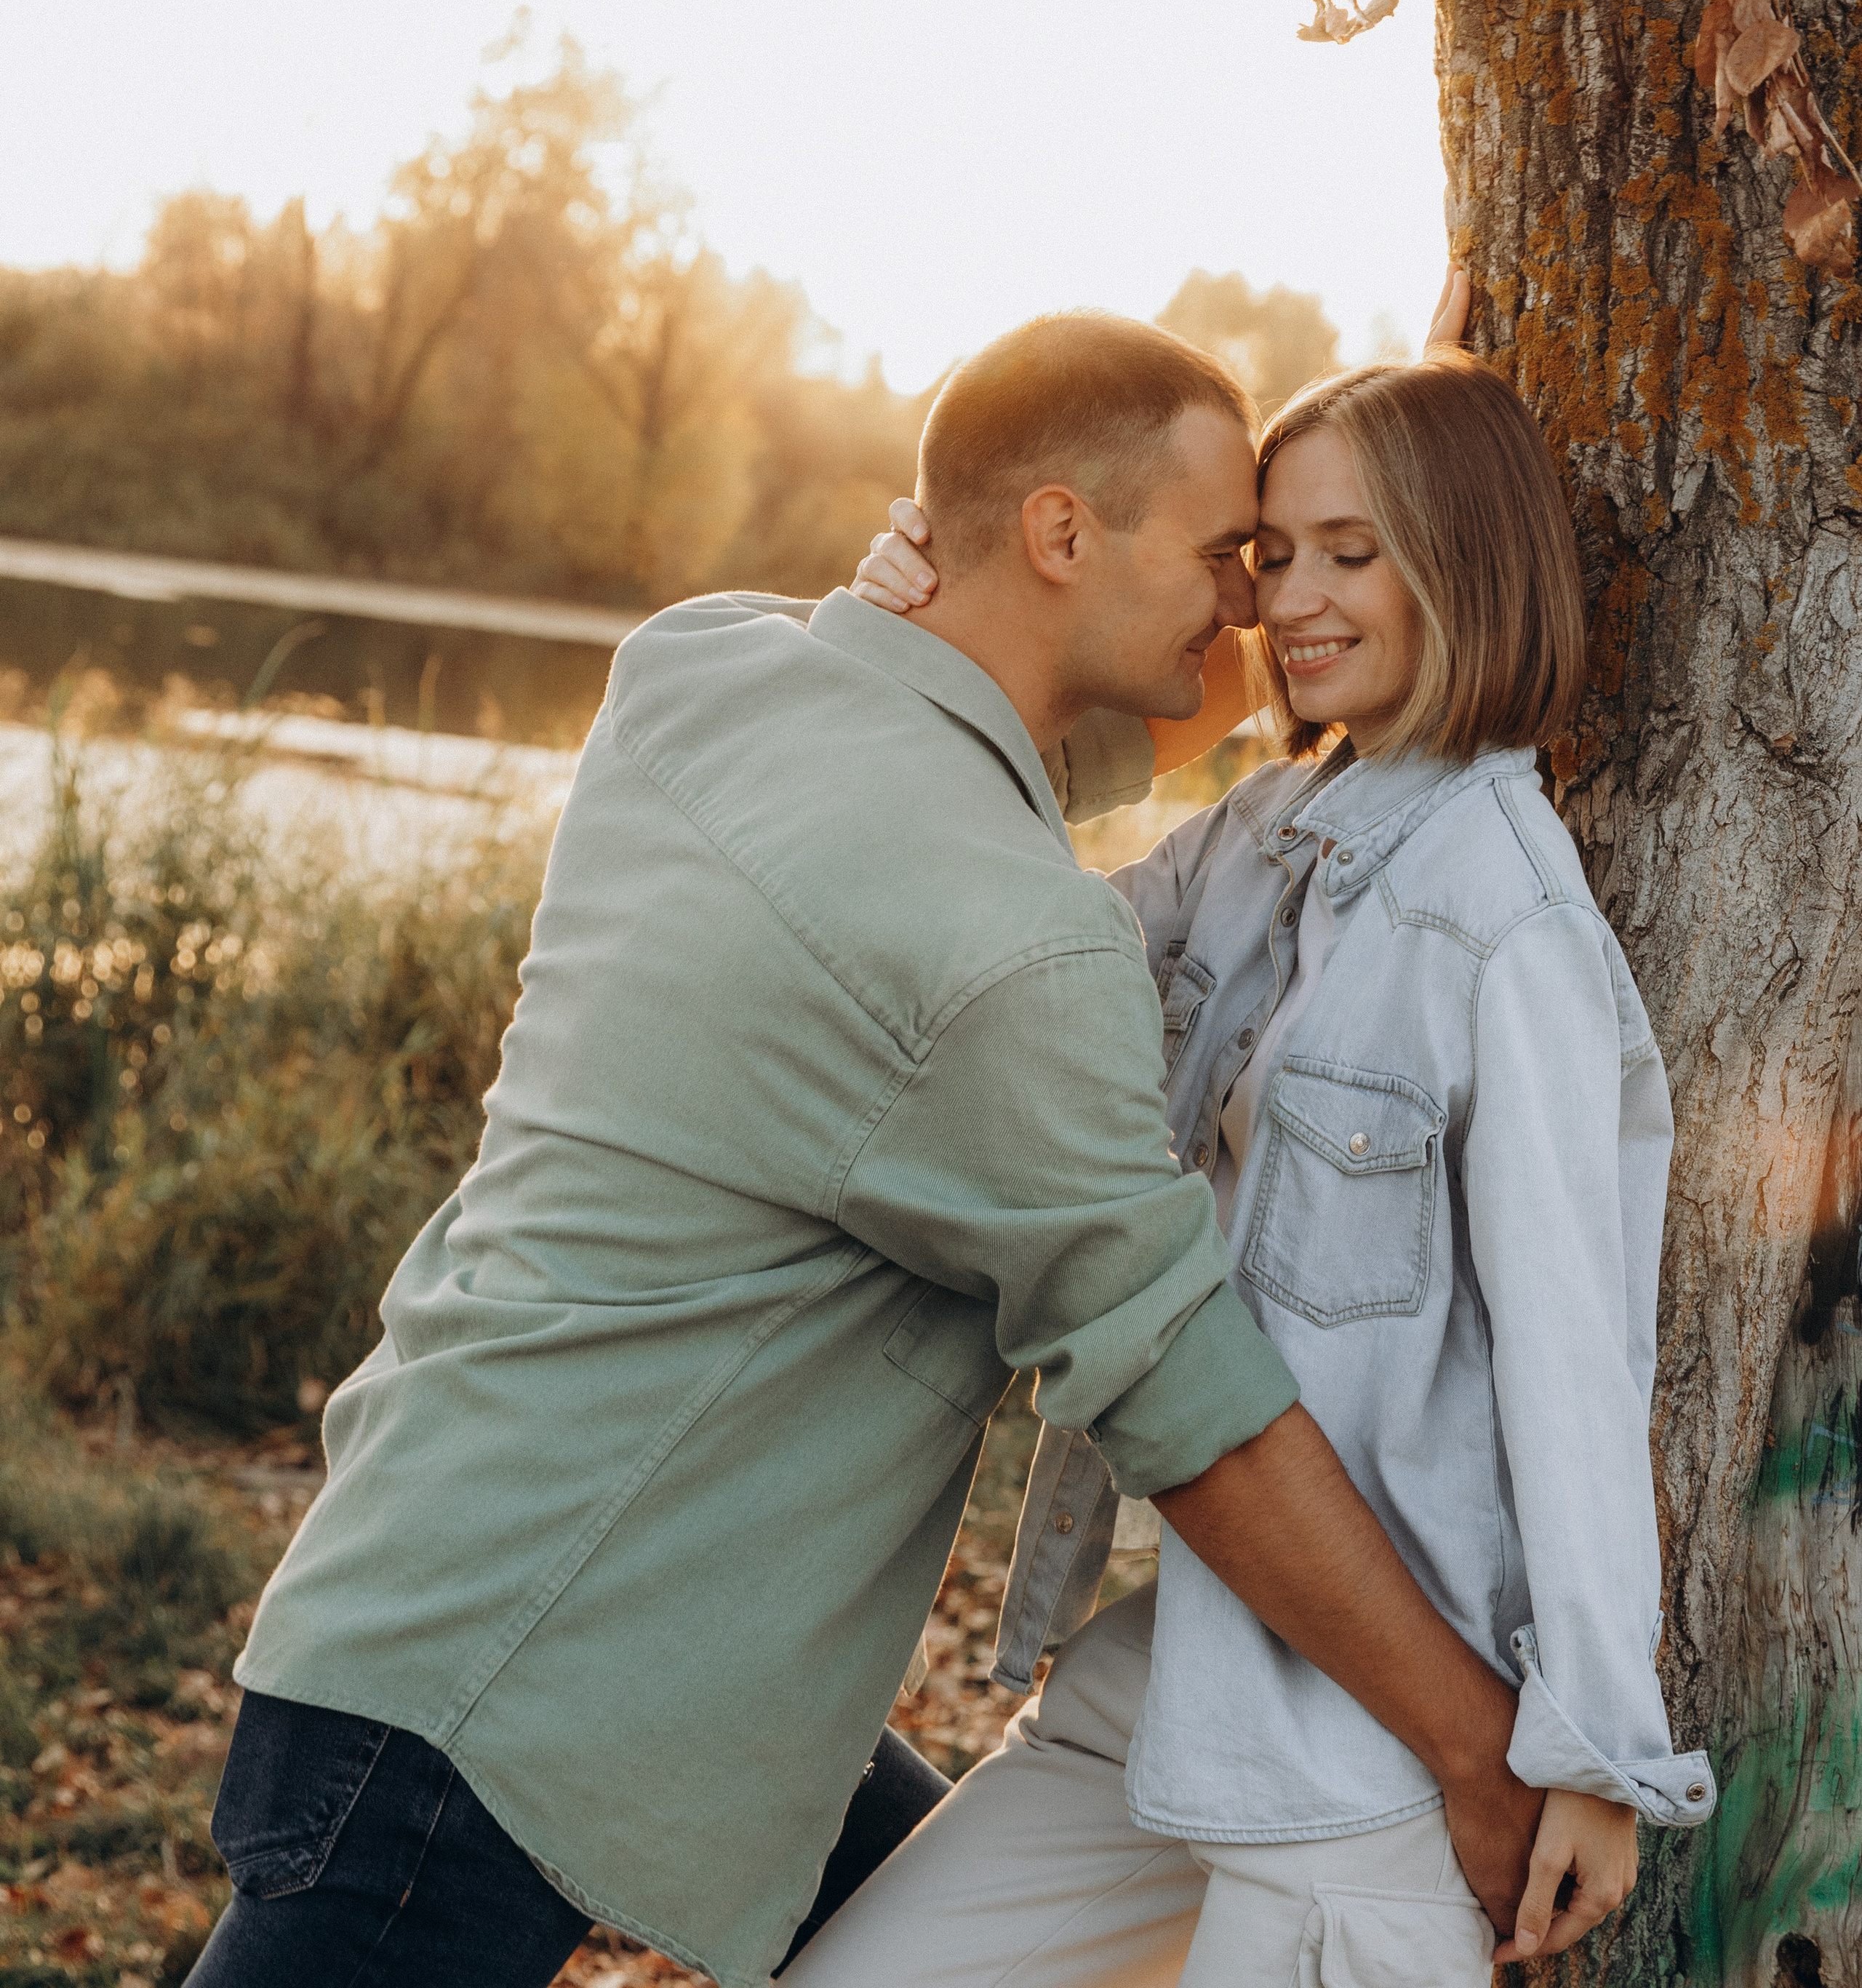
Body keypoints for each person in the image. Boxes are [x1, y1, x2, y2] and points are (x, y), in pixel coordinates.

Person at [190, 308, 1546, 1988]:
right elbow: (1189, 1408)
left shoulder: (695, 668)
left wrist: (985, 592)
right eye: (1226, 556)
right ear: (1060, 530)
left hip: (458, 1591)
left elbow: (982, 727)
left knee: (954, 1931)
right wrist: (1479, 1750)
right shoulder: (1006, 944)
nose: (1251, 607)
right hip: (507, 1695)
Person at [807, 348, 1715, 1988]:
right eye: (1271, 554)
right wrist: (909, 649)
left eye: (1347, 553)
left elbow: (1580, 1364)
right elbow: (1013, 938)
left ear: (1465, 562)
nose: (1288, 599)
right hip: (1171, 1675)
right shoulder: (1268, 834)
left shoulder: (1503, 927)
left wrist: (1590, 1751)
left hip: (1374, 1766)